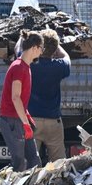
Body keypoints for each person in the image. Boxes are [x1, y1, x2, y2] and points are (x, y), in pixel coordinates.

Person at [0, 31, 44, 172]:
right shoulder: (19, 67)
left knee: (34, 160)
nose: (42, 52)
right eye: (41, 48)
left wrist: (27, 117)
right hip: (11, 121)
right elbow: (15, 97)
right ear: (34, 48)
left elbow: (20, 99)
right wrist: (25, 123)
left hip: (18, 119)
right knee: (20, 163)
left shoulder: (25, 67)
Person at [27, 29, 71, 162]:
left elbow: (19, 50)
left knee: (30, 164)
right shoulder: (59, 67)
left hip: (32, 121)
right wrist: (57, 47)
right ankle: (57, 183)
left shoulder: (30, 64)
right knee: (59, 164)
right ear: (54, 49)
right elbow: (67, 58)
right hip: (53, 121)